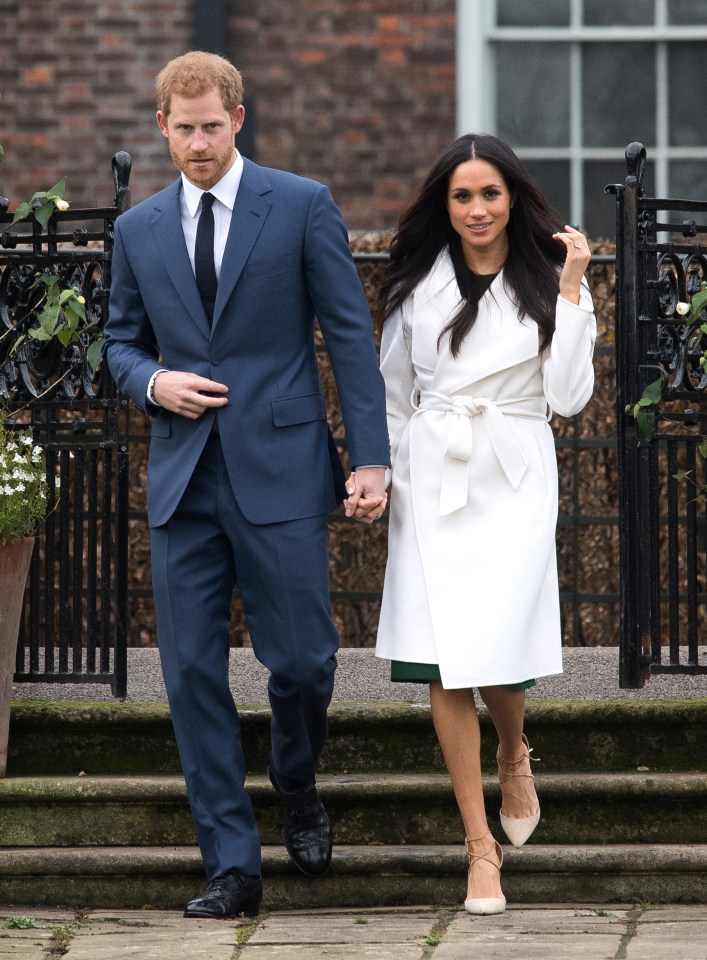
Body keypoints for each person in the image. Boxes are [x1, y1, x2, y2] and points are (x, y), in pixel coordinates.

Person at [104, 51, 389, 919]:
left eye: (211, 126)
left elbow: (348, 336)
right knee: (189, 673)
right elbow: (118, 341)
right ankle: (231, 863)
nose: (197, 141)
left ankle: (295, 780)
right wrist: (154, 382)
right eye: (182, 128)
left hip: (283, 471)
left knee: (303, 660)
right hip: (182, 480)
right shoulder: (137, 230)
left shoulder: (299, 204)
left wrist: (369, 459)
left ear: (239, 118)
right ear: (161, 128)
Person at [375, 134, 595, 915]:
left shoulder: (551, 283)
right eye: (461, 196)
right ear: (445, 204)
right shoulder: (413, 288)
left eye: (489, 194)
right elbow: (394, 394)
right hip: (433, 478)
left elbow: (567, 397)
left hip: (512, 474)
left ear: (512, 199)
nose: (476, 209)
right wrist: (391, 476)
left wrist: (571, 288)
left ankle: (512, 752)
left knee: (496, 653)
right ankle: (479, 849)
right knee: (443, 664)